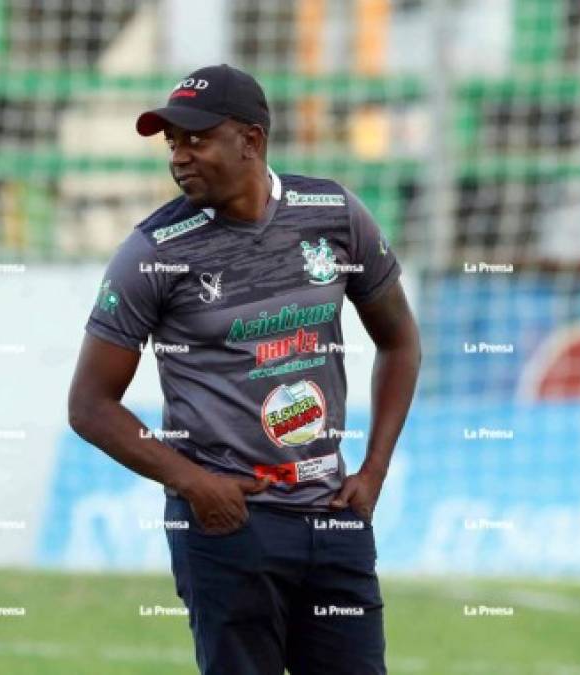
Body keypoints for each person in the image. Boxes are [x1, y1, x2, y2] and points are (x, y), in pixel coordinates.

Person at [68, 64, 420, 674]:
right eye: (171, 142)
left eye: (195, 139)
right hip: (229, 527)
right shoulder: (153, 252)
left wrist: (374, 471)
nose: (179, 156)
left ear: (251, 141)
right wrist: (196, 484)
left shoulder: (332, 213)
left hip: (335, 519)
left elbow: (401, 342)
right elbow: (90, 406)